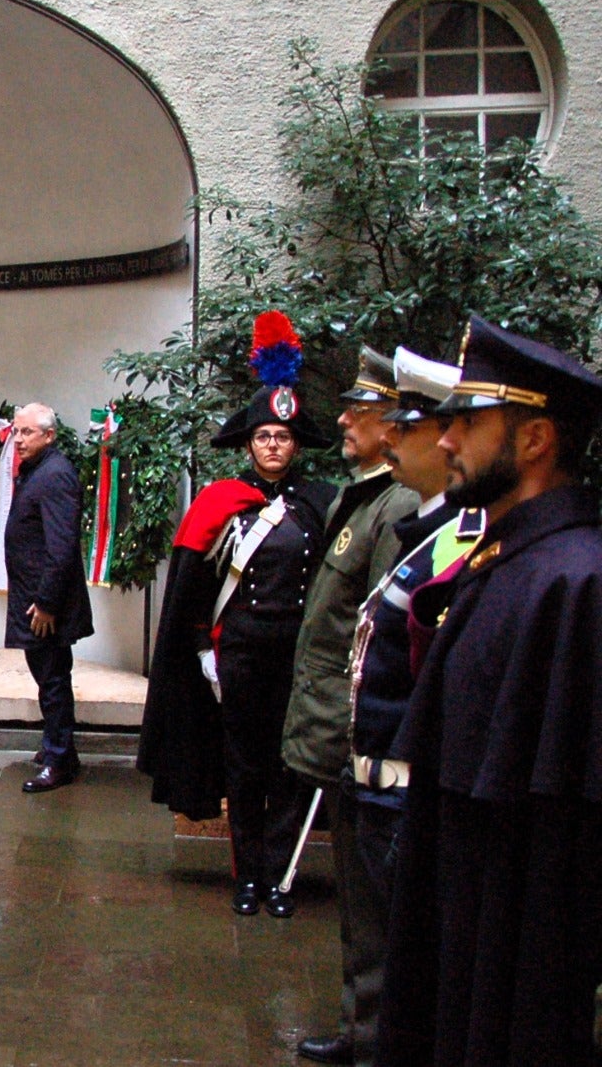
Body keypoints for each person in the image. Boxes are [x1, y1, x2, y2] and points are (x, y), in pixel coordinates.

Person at [376, 317, 602, 1067]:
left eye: (469, 423)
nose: (445, 441)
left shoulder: (577, 580)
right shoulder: (505, 559)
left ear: (535, 440)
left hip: (518, 950)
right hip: (459, 920)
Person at [295, 348, 480, 1067]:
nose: (391, 435)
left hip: (400, 779)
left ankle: (381, 1037)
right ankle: (367, 1029)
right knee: (368, 922)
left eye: (403, 422)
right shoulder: (414, 522)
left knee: (403, 933)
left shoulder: (455, 534)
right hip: (369, 766)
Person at [138, 310, 337, 915]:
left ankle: (281, 872)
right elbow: (193, 592)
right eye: (263, 438)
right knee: (246, 768)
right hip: (241, 654)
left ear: (297, 444)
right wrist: (203, 652)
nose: (273, 446)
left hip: (301, 658)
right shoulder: (221, 505)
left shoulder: (322, 504)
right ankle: (250, 876)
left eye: (283, 437)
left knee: (295, 767)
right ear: (248, 445)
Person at [2, 402, 95, 793]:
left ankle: (59, 760)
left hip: (44, 606)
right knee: (49, 678)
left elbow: (61, 548)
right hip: (34, 598)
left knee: (53, 680)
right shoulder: (39, 470)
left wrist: (46, 603)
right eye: (16, 432)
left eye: (27, 433)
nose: (18, 439)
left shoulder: (55, 475)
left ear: (49, 435)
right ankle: (60, 749)